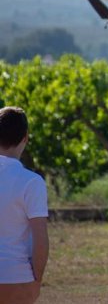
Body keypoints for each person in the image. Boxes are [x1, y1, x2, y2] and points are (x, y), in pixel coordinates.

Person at [0, 107, 49, 304]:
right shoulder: (31, 182)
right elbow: (40, 239)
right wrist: (36, 280)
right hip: (16, 277)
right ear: (25, 138)